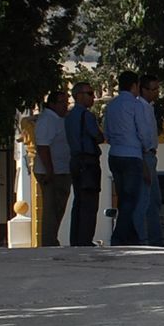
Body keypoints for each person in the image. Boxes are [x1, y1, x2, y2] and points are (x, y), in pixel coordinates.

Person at [103, 70, 154, 246]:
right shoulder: (135, 105)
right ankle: (118, 236)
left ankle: (131, 236)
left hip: (115, 154)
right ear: (135, 85)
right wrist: (147, 147)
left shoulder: (111, 106)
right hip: (132, 155)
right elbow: (143, 131)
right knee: (131, 198)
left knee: (123, 198)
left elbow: (106, 133)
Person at [32, 89, 73, 247]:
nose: (66, 106)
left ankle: (52, 239)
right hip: (51, 172)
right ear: (52, 104)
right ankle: (49, 242)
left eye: (67, 103)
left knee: (58, 208)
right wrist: (50, 171)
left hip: (62, 170)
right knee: (51, 209)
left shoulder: (59, 119)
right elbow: (43, 147)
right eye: (62, 103)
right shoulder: (47, 120)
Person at [66, 81, 104, 246]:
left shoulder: (69, 117)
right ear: (78, 96)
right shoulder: (86, 116)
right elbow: (98, 136)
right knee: (89, 202)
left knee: (79, 201)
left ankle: (76, 238)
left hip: (75, 160)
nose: (93, 97)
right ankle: (85, 239)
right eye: (89, 93)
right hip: (88, 161)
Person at [137, 74, 164, 246]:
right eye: (153, 89)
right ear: (144, 89)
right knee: (146, 200)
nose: (156, 93)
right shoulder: (139, 107)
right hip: (144, 155)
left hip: (151, 155)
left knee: (154, 200)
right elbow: (140, 135)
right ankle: (145, 238)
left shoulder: (149, 107)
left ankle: (155, 238)